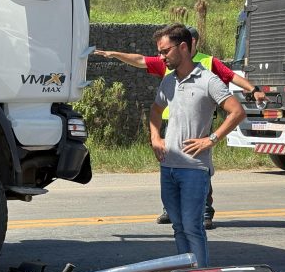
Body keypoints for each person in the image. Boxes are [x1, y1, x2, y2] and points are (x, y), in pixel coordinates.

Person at [95, 30, 265, 229]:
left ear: (189, 43)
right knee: (173, 163)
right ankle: (171, 208)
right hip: (172, 122)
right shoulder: (168, 62)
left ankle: (204, 211)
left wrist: (253, 90)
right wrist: (114, 54)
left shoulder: (208, 63)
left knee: (195, 163)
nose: (162, 55)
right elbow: (140, 60)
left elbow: (231, 77)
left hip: (198, 121)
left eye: (167, 50)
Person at [149, 23, 245, 267]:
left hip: (194, 169)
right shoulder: (168, 81)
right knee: (178, 227)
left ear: (183, 47)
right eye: (159, 52)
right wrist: (155, 137)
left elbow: (236, 112)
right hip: (168, 168)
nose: (161, 57)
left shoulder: (208, 80)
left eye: (165, 51)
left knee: (192, 228)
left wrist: (211, 139)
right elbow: (156, 110)